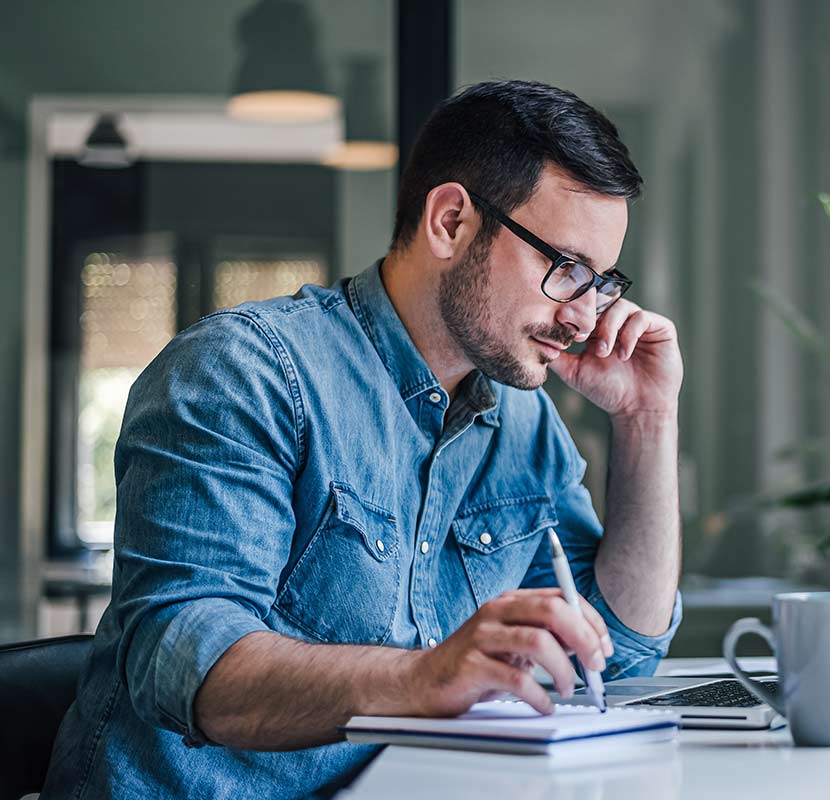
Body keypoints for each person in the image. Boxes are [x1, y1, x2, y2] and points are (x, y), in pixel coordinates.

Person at [44, 80, 682, 799]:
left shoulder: (523, 422)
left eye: (601, 282)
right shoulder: (243, 372)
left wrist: (646, 419)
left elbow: (619, 650)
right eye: (565, 269)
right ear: (450, 222)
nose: (583, 318)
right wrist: (430, 676)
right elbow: (187, 658)